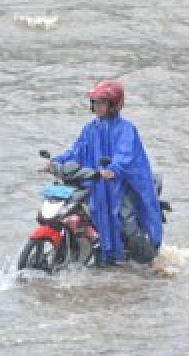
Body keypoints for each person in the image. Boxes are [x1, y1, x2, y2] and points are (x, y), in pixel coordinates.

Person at [49, 79, 163, 266]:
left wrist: (113, 169)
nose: (97, 106)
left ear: (113, 104)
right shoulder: (90, 129)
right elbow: (75, 150)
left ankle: (151, 262)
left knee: (127, 225)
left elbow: (124, 154)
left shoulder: (126, 128)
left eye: (101, 102)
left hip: (122, 183)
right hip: (97, 181)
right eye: (95, 102)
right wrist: (56, 161)